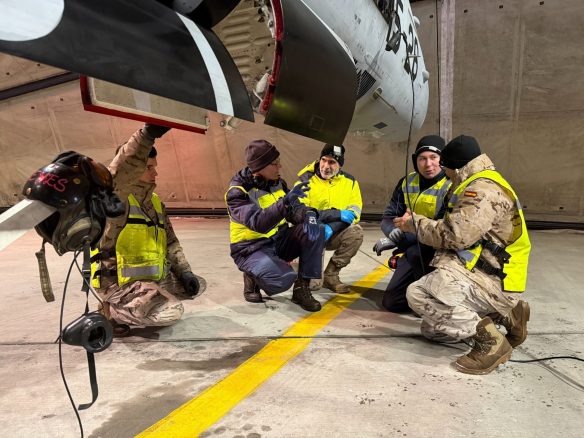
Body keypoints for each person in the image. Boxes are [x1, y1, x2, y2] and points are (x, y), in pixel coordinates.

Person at [394, 135, 531, 375]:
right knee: (433, 330)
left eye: (445, 167)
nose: (444, 173)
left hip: (493, 279)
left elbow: (455, 235)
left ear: (456, 168)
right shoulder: (478, 181)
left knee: (419, 293)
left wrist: (414, 224)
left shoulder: (482, 190)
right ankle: (508, 315)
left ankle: (491, 344)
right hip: (482, 271)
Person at [90, 124, 203, 336]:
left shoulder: (155, 202)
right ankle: (111, 312)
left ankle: (145, 300)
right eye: (149, 167)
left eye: (154, 167)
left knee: (197, 285)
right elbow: (121, 172)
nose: (155, 172)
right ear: (134, 170)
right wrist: (146, 136)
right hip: (118, 284)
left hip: (150, 279)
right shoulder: (117, 203)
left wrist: (184, 272)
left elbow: (171, 242)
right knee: (171, 312)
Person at [225, 139, 325, 312]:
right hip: (251, 248)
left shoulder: (277, 182)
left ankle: (301, 289)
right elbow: (258, 222)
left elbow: (293, 209)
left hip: (278, 240)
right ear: (260, 167)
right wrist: (284, 203)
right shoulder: (237, 193)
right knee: (282, 279)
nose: (280, 167)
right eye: (275, 163)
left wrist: (307, 213)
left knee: (315, 229)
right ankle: (252, 276)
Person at [373, 135, 451, 312]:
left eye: (433, 157)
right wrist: (392, 232)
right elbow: (388, 216)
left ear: (442, 159)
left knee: (416, 254)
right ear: (416, 161)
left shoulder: (450, 185)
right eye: (422, 158)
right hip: (414, 246)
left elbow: (442, 231)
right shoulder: (407, 182)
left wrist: (399, 239)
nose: (428, 164)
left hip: (440, 250)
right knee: (392, 302)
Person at [295, 143, 363, 293]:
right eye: (323, 160)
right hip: (311, 234)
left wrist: (332, 227)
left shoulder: (350, 182)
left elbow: (355, 212)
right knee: (313, 285)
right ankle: (298, 267)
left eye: (332, 162)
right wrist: (335, 215)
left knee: (356, 232)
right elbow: (300, 212)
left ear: (340, 165)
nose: (326, 166)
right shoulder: (305, 180)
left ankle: (331, 276)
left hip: (333, 232)